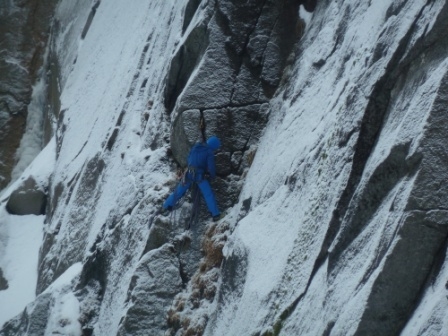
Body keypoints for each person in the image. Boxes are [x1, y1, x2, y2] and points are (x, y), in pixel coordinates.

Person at [163, 136, 221, 221]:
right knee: (208, 194)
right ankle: (215, 214)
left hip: (189, 174)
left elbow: (188, 159)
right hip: (199, 176)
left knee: (179, 190)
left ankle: (167, 206)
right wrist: (212, 176)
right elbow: (211, 167)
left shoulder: (195, 147)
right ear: (214, 146)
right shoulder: (209, 152)